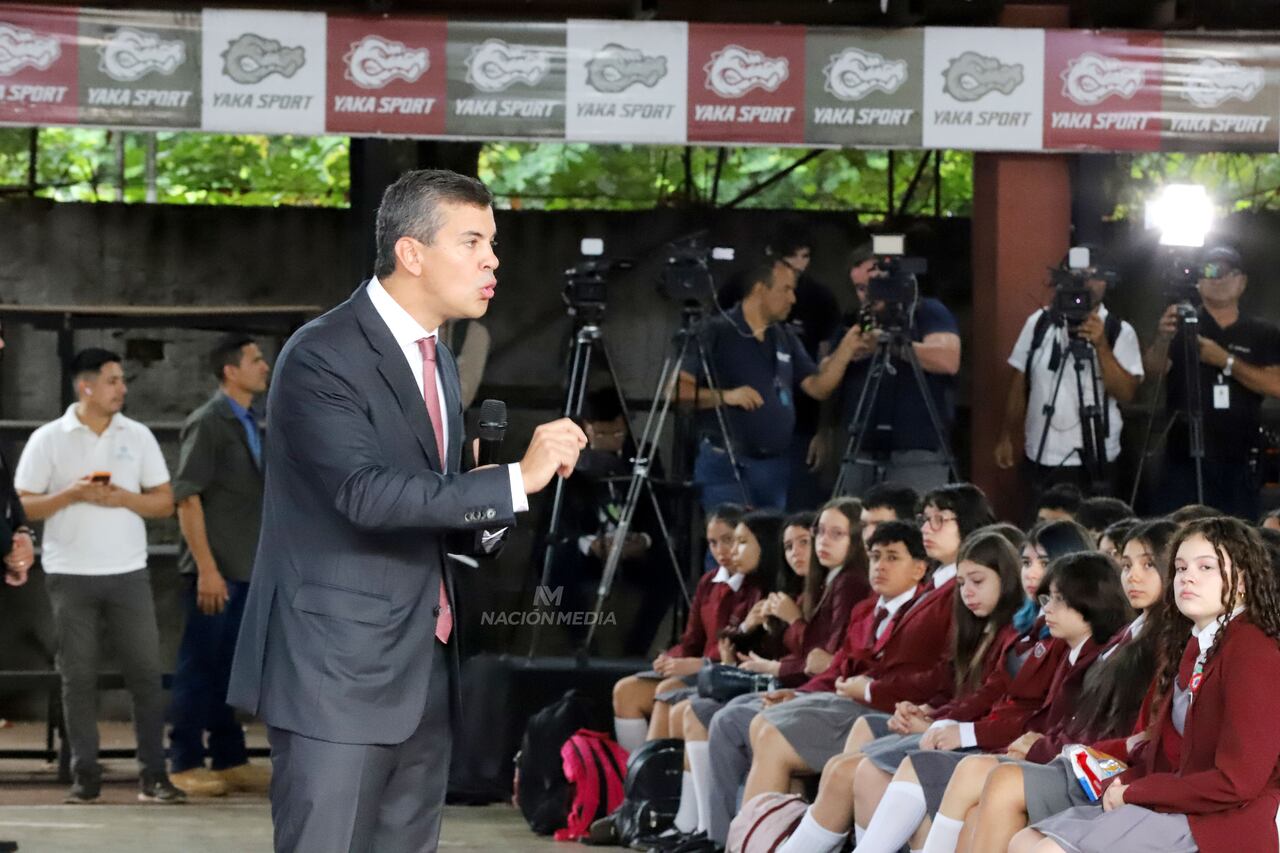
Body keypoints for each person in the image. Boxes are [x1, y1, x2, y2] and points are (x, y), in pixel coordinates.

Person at [225, 170, 589, 853]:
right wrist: (515, 479)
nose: (492, 260)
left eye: (493, 243)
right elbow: (365, 494)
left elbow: (428, 499)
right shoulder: (321, 354)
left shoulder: (438, 360)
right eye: (473, 241)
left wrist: (483, 499)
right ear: (411, 253)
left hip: (422, 666)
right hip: (337, 670)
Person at [1014, 518, 1280, 853]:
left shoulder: (1253, 650)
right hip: (1185, 804)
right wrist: (1124, 783)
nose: (1188, 577)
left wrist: (1135, 792)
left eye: (1206, 567)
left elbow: (1237, 782)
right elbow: (1171, 758)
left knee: (1044, 850)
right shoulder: (1197, 643)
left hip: (1225, 822)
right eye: (1180, 568)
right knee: (1025, 840)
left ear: (1242, 580)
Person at [776, 530, 1026, 853]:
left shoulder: (1014, 636)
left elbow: (991, 699)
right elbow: (954, 689)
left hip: (976, 739)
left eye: (977, 581)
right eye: (962, 583)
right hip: (948, 724)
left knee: (862, 771)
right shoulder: (976, 629)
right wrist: (926, 711)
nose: (967, 592)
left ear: (1006, 580)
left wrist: (935, 723)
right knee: (847, 766)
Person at [14, 348, 181, 804]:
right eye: (112, 380)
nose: (122, 388)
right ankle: (85, 776)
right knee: (77, 678)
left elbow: (164, 502)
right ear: (85, 386)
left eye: (121, 380)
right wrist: (71, 494)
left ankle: (154, 775)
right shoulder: (49, 439)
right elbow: (22, 505)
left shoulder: (138, 436)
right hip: (70, 575)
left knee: (145, 676)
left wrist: (123, 498)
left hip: (129, 573)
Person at [166, 334, 272, 798]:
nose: (265, 366)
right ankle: (184, 761)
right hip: (216, 572)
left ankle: (229, 758)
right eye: (256, 359)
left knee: (229, 670)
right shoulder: (208, 422)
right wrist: (207, 570)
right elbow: (187, 498)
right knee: (199, 667)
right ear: (231, 370)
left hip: (244, 569)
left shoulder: (251, 422)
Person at [678, 261, 857, 511]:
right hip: (727, 460)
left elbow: (818, 387)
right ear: (760, 289)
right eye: (786, 289)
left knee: (769, 533)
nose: (793, 299)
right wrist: (726, 396)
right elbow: (677, 391)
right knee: (730, 533)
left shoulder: (784, 336)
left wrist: (847, 349)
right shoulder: (715, 331)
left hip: (774, 466)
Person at [1145, 245, 1280, 519]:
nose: (1217, 279)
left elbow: (1275, 385)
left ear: (1242, 282)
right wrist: (1163, 338)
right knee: (1181, 529)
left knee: (1239, 531)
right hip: (1184, 456)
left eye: (1226, 272)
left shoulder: (1262, 332)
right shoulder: (1181, 322)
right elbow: (1152, 372)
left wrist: (1225, 361)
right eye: (1209, 271)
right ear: (1198, 280)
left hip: (1241, 456)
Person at [995, 251, 1144, 500]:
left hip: (1095, 458)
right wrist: (1006, 436)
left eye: (1093, 275)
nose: (1085, 282)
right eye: (1077, 275)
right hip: (1041, 453)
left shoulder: (1118, 330)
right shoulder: (1040, 323)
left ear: (1106, 282)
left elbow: (1126, 393)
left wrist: (1101, 346)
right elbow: (1020, 380)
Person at [720, 220, 842, 510]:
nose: (798, 265)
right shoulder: (731, 303)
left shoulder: (819, 300)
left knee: (790, 512)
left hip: (798, 425)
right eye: (790, 259)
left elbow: (821, 375)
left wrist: (823, 428)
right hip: (734, 433)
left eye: (805, 256)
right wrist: (723, 396)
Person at [826, 242, 962, 497]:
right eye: (860, 288)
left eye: (874, 285)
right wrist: (848, 351)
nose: (868, 295)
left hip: (916, 448)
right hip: (861, 449)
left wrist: (892, 344)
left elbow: (948, 359)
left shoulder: (925, 311)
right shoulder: (855, 321)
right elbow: (822, 375)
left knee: (915, 516)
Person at [611, 505, 750, 753]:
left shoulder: (755, 586)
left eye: (727, 540)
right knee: (625, 691)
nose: (720, 550)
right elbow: (691, 640)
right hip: (698, 670)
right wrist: (669, 659)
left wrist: (701, 665)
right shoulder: (709, 582)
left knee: (668, 691)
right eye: (713, 543)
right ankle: (633, 770)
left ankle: (651, 774)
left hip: (724, 674)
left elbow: (742, 651)